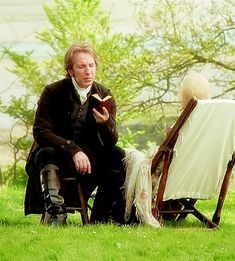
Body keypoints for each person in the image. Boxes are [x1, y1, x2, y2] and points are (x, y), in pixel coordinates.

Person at [24, 42, 126, 226]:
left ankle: (101, 218)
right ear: (71, 71)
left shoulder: (104, 94)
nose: (88, 71)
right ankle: (57, 215)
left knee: (118, 155)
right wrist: (73, 149)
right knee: (46, 152)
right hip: (57, 154)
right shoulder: (53, 92)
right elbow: (41, 131)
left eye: (91, 65)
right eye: (82, 66)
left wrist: (106, 124)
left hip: (89, 160)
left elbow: (111, 141)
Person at [124, 72, 212, 228]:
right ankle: (172, 212)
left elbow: (167, 155)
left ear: (184, 97)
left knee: (140, 161)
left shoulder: (183, 128)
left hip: (177, 176)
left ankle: (143, 211)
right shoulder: (212, 129)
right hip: (202, 176)